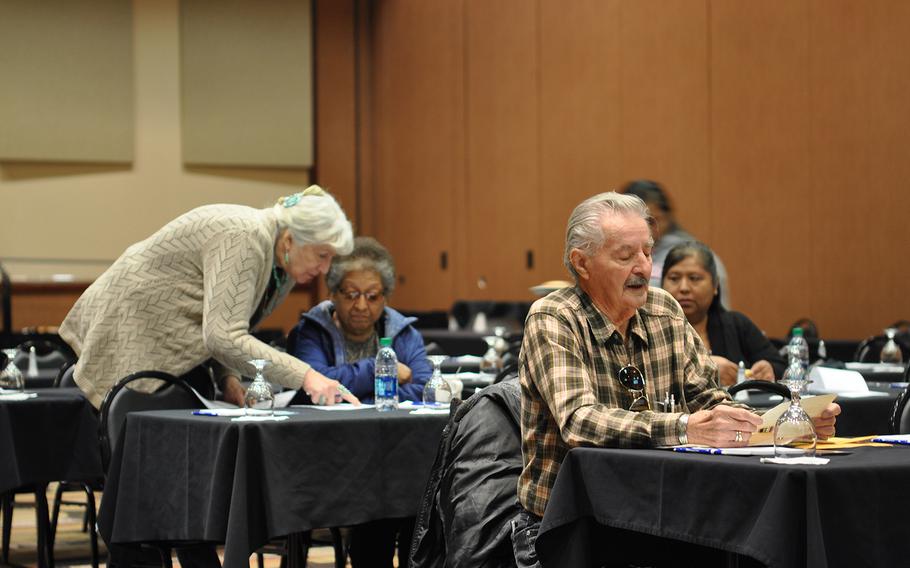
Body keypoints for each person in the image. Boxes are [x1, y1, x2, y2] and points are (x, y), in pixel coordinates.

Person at [513, 191, 840, 568]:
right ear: (581, 263)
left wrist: (783, 424)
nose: (643, 267)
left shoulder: (663, 309)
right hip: (568, 524)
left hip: (657, 516)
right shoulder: (555, 317)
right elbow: (579, 421)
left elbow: (710, 400)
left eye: (647, 253)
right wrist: (686, 428)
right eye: (625, 256)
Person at [60, 185, 360, 410]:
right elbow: (222, 335)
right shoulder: (246, 237)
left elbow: (225, 320)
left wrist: (226, 377)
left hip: (164, 333)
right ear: (290, 239)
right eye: (322, 255)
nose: (325, 269)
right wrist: (307, 376)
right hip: (130, 323)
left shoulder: (283, 265)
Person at [289, 236, 430, 568]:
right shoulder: (310, 332)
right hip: (327, 458)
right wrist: (381, 370)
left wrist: (358, 391)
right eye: (351, 295)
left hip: (396, 458)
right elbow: (316, 384)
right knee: (380, 503)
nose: (362, 306)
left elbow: (424, 388)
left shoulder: (403, 331)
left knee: (421, 495)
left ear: (385, 296)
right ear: (333, 293)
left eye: (372, 296)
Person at [661, 241, 786, 384]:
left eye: (694, 278)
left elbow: (780, 366)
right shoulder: (650, 328)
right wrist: (705, 368)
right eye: (674, 278)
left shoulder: (736, 325)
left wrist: (768, 369)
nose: (683, 288)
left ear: (715, 285)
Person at [620, 179, 732, 307]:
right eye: (639, 222)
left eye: (654, 221)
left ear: (667, 217)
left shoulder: (696, 255)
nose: (648, 229)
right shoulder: (616, 256)